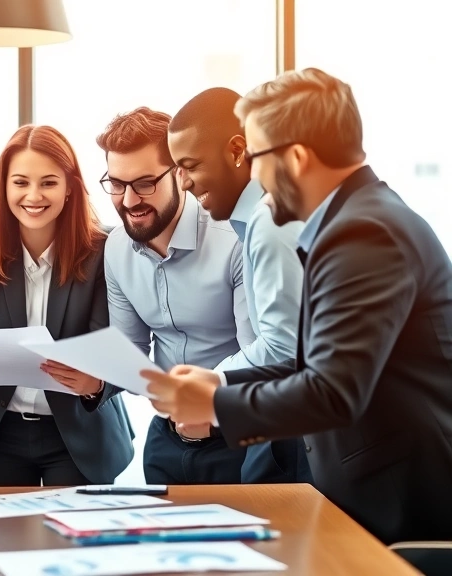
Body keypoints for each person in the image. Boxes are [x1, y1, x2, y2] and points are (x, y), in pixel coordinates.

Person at [143, 68, 452, 544]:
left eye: (257, 156)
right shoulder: (355, 221)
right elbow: (317, 363)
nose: (253, 175)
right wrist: (220, 384)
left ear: (297, 158)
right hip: (380, 492)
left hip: (400, 503)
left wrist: (216, 403)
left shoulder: (363, 233)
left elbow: (333, 392)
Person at [0, 124, 134, 487]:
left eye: (48, 183)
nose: (34, 196)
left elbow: (117, 344)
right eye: (20, 182)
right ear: (3, 187)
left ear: (69, 188)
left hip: (80, 430)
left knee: (72, 525)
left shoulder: (104, 248)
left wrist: (97, 382)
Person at [98, 107, 253, 485]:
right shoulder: (116, 248)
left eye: (144, 183)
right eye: (116, 184)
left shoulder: (234, 239)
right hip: (165, 440)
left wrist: (204, 400)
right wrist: (94, 378)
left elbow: (260, 354)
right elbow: (130, 351)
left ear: (181, 174)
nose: (128, 201)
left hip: (239, 440)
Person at [167, 88, 311, 485]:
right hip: (277, 417)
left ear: (236, 151)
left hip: (295, 431)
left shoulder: (271, 217)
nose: (184, 183)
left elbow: (286, 346)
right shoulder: (252, 219)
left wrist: (210, 385)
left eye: (191, 166)